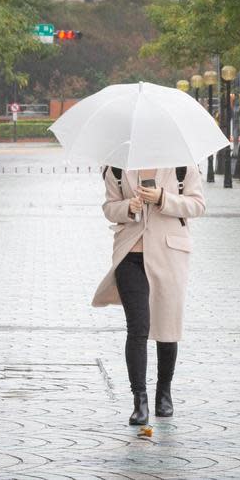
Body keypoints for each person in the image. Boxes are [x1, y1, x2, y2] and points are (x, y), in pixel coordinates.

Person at [92, 165, 205, 425]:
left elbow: (198, 205)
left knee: (166, 326)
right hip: (130, 254)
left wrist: (163, 199)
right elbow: (110, 208)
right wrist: (127, 207)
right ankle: (139, 400)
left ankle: (163, 393)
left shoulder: (181, 163)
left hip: (170, 253)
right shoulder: (117, 166)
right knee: (138, 327)